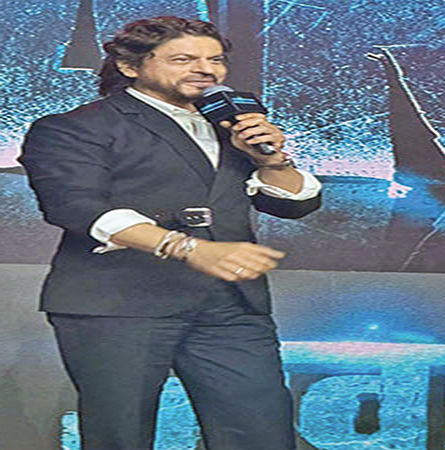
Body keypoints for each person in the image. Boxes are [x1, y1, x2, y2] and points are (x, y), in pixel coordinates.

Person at [20, 16, 321, 450]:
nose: (205, 69)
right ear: (130, 66)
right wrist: (186, 247)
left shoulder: (232, 123)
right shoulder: (74, 126)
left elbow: (295, 204)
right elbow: (76, 206)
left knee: (262, 435)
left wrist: (272, 161)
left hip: (229, 305)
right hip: (118, 304)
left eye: (215, 60)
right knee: (121, 437)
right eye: (184, 59)